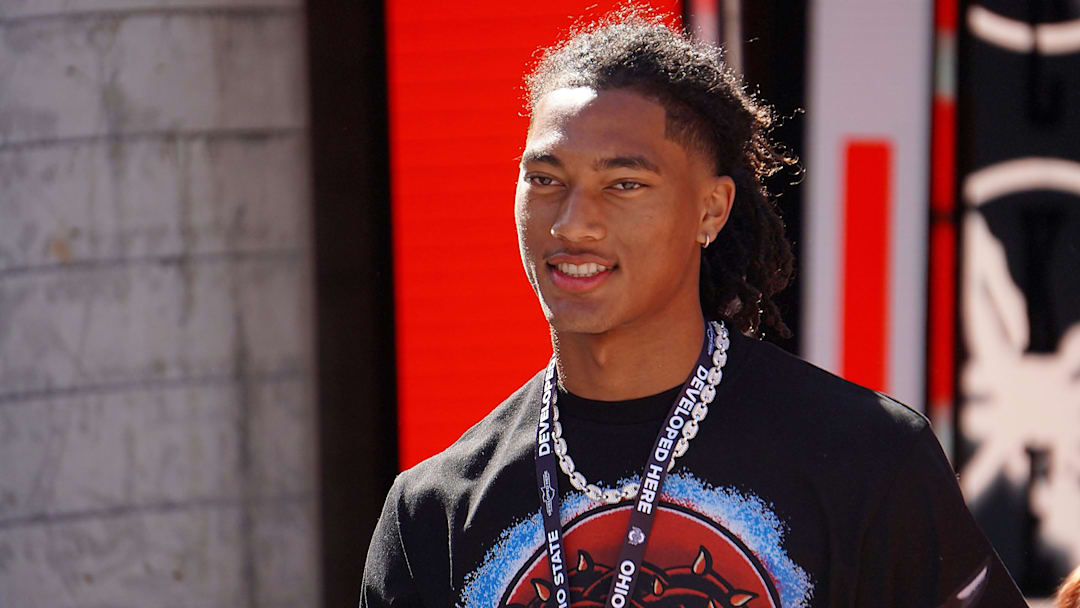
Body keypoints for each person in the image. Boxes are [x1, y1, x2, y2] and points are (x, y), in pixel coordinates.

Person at [361, 11, 1026, 608]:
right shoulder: (433, 513)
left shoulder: (867, 457)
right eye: (545, 179)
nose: (573, 223)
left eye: (624, 184)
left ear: (711, 210)